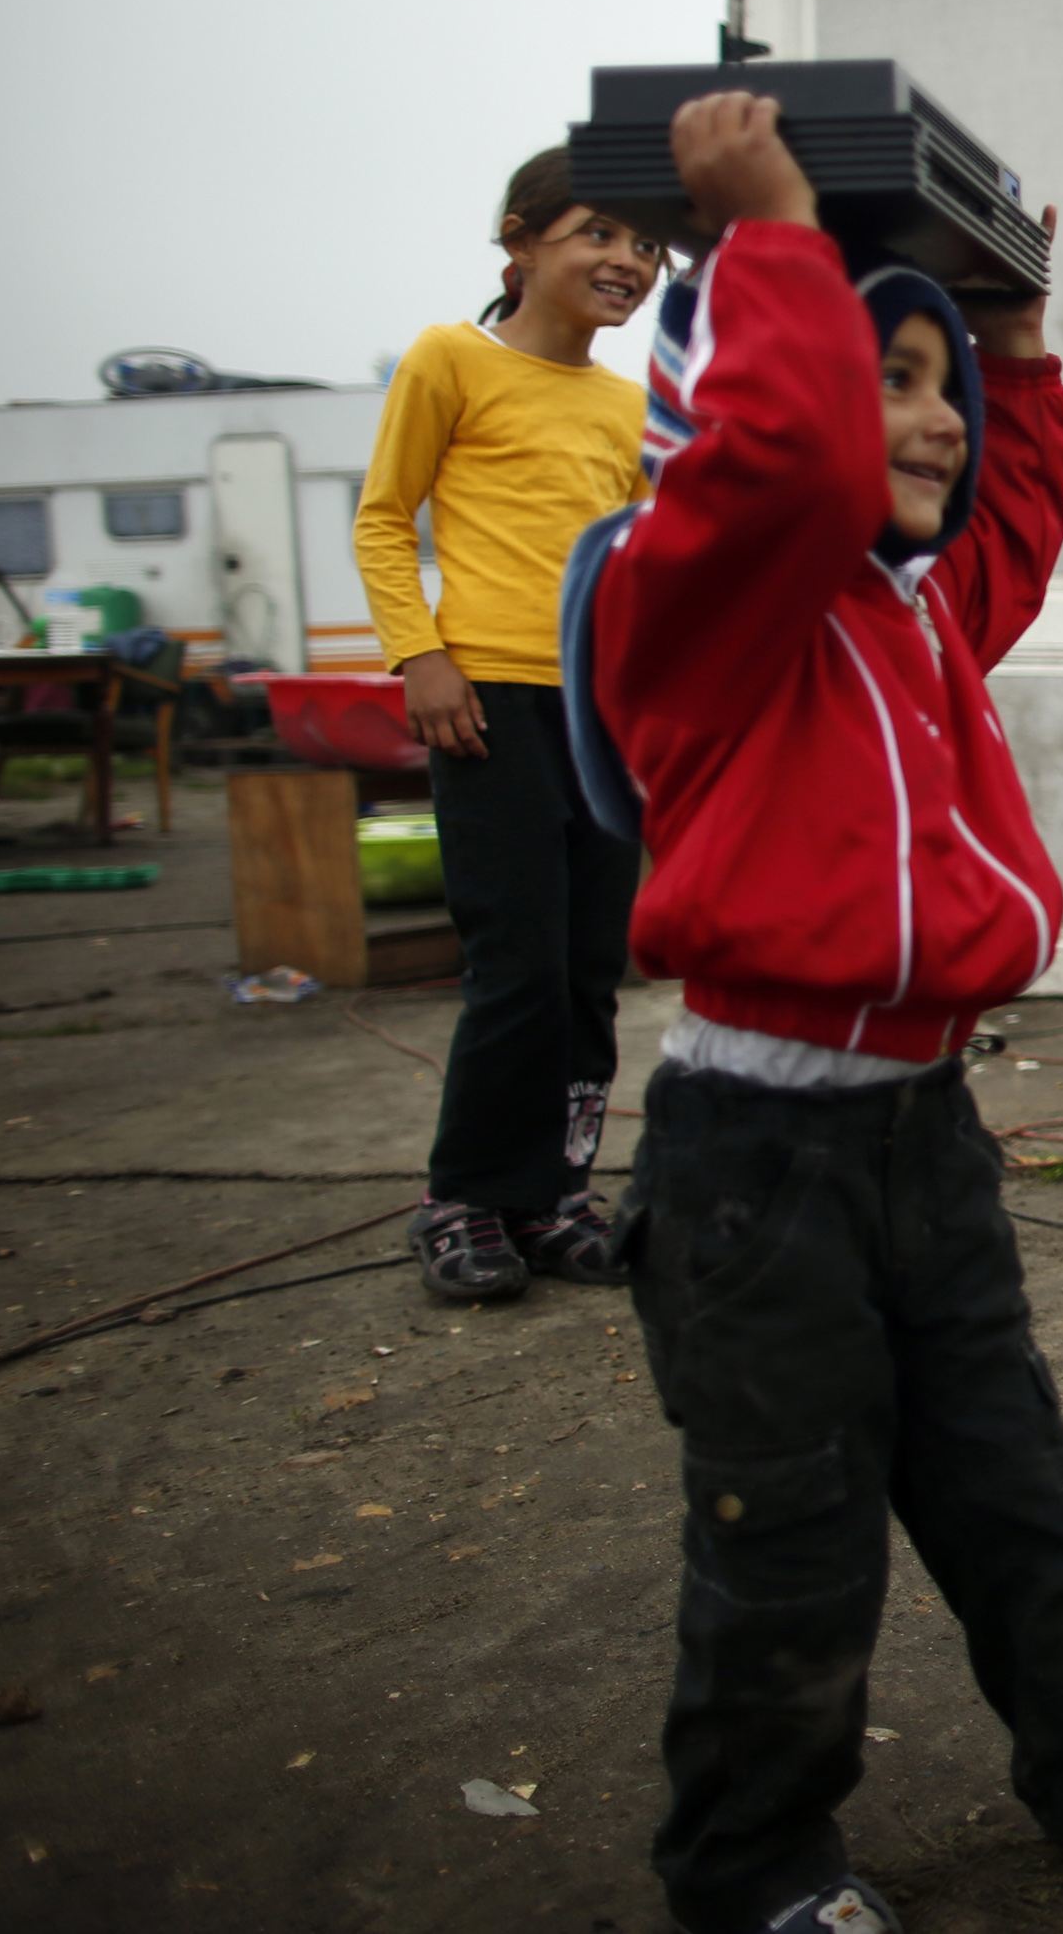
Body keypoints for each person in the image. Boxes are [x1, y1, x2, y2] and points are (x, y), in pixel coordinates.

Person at [569, 92, 1063, 1932]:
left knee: (1011, 1479)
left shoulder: (912, 613)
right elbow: (771, 464)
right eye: (895, 372)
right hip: (752, 1164)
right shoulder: (697, 610)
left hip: (919, 1137)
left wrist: (1013, 328)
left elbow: (1009, 501)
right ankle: (751, 1855)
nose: (934, 412)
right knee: (791, 1534)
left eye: (940, 378)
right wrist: (767, 224)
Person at [352, 149, 661, 1302]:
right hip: (486, 697)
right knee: (517, 962)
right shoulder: (451, 358)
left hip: (603, 710)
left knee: (589, 966)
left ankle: (554, 1195)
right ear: (520, 242)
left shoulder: (630, 406)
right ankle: (464, 1196)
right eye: (597, 233)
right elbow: (385, 520)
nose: (625, 260)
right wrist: (418, 654)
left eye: (645, 245)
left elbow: (642, 565)